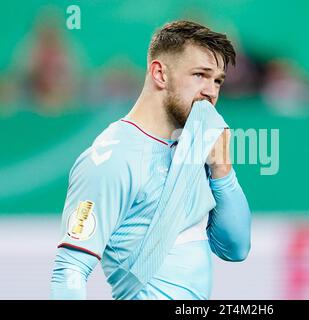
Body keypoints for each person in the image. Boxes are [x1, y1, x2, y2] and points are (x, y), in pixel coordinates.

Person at [50, 20, 251, 300]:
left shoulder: (197, 149)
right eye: (200, 75)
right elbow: (69, 270)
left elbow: (236, 248)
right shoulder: (111, 158)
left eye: (217, 80)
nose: (212, 92)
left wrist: (222, 171)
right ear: (159, 74)